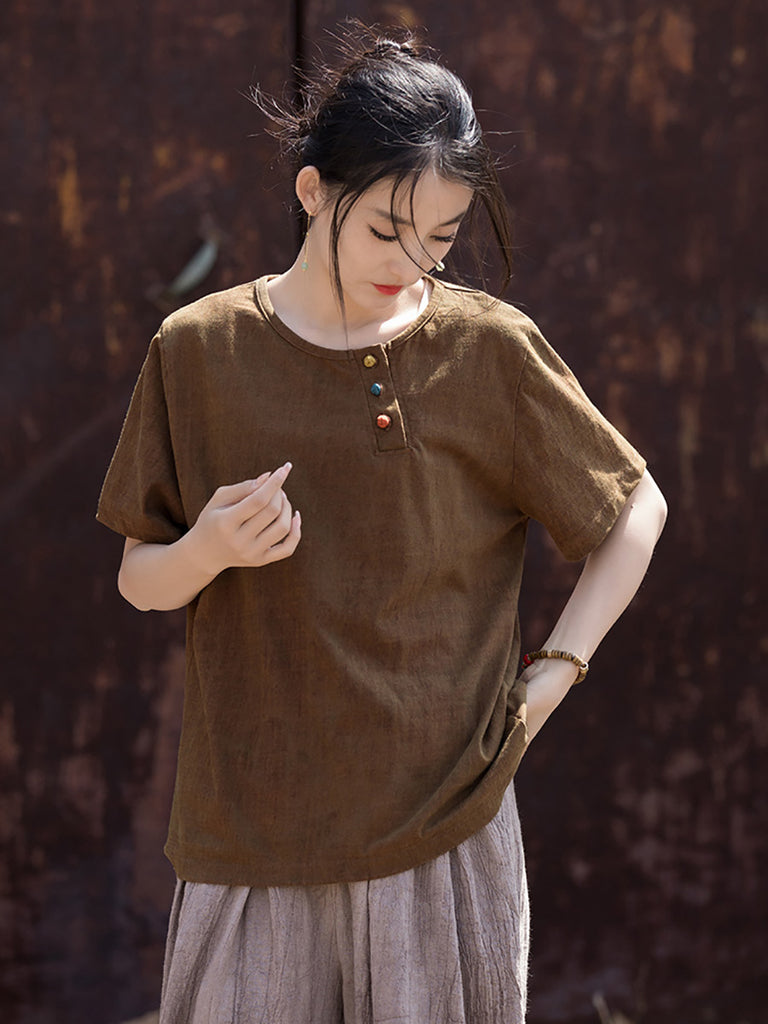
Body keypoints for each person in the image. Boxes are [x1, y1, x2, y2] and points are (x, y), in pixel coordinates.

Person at [96, 26, 667, 1024]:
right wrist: (208, 549)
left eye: (441, 236)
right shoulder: (197, 351)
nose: (410, 262)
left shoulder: (488, 350)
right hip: (251, 837)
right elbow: (140, 576)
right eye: (386, 229)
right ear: (313, 192)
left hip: (443, 832)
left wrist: (552, 676)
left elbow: (634, 510)